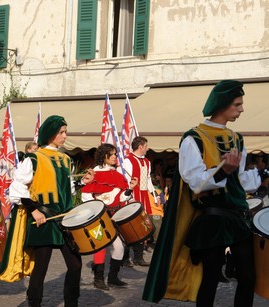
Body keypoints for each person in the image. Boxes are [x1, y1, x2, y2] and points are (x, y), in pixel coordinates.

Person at [143, 80, 261, 306]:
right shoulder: (193, 138)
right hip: (212, 219)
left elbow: (240, 182)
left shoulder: (237, 139)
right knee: (209, 280)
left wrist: (260, 175)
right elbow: (194, 181)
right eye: (237, 104)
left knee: (248, 278)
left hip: (237, 218)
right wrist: (223, 171)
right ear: (222, 105)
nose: (242, 109)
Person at [7, 115, 91, 307]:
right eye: (61, 132)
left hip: (64, 219)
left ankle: (72, 303)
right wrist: (33, 211)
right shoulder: (34, 158)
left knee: (75, 265)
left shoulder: (65, 159)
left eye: (65, 131)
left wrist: (81, 183)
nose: (65, 135)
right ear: (51, 134)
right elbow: (16, 187)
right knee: (41, 268)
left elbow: (64, 189)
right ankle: (34, 304)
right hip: (43, 218)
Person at [81, 143, 138, 290]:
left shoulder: (118, 175)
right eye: (111, 154)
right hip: (99, 216)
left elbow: (120, 198)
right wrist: (95, 210)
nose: (114, 156)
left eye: (115, 154)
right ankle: (98, 279)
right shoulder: (94, 173)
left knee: (118, 247)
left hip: (113, 215)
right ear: (103, 155)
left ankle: (113, 278)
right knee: (100, 245)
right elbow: (86, 195)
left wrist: (130, 189)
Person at [121, 136, 157, 266]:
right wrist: (129, 196)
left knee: (143, 226)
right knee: (129, 227)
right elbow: (125, 180)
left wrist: (154, 194)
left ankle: (138, 256)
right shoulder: (127, 161)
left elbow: (148, 180)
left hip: (144, 197)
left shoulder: (147, 162)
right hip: (132, 196)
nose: (147, 149)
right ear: (140, 146)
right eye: (146, 146)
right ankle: (124, 257)